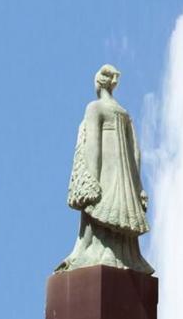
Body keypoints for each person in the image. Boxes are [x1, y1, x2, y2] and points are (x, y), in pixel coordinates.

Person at [57, 64, 153, 274]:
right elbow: (136, 153)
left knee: (98, 215)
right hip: (125, 179)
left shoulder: (95, 108)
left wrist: (91, 179)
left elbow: (93, 147)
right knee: (121, 217)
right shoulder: (124, 114)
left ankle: (95, 252)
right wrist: (137, 186)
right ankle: (122, 257)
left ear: (98, 84)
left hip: (105, 176)